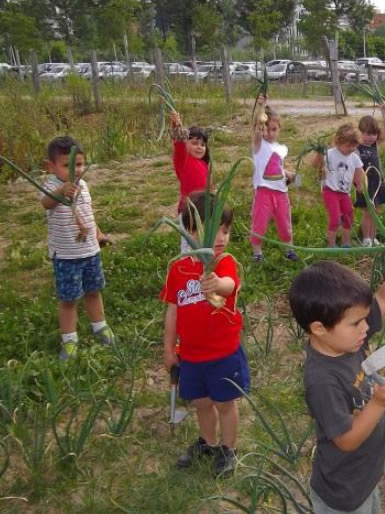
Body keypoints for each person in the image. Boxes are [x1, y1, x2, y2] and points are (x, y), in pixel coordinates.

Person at [289, 254, 385, 513]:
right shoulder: (323, 380)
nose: (365, 328)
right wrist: (378, 404)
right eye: (357, 322)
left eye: (364, 319)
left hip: (365, 477)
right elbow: (346, 440)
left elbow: (383, 300)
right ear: (319, 328)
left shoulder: (346, 338)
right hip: (343, 493)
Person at [161, 192, 247, 477]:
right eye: (214, 230)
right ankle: (208, 442)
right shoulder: (179, 268)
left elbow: (229, 285)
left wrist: (215, 283)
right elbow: (172, 310)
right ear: (191, 231)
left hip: (222, 352)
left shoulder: (224, 263)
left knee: (224, 402)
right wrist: (169, 349)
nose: (221, 237)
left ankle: (228, 448)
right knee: (201, 402)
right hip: (192, 354)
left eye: (226, 230)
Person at [41, 136, 115, 360]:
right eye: (67, 166)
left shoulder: (83, 185)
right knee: (69, 299)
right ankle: (70, 340)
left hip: (90, 251)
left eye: (80, 165)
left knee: (93, 291)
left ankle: (100, 326)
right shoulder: (52, 186)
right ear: (50, 166)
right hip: (66, 256)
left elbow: (87, 215)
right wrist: (61, 192)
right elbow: (46, 203)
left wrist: (99, 234)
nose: (76, 171)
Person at [249, 95, 298, 263]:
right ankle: (257, 252)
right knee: (260, 222)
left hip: (281, 193)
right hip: (264, 192)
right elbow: (258, 128)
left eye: (274, 129)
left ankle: (289, 249)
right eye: (267, 129)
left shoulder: (279, 148)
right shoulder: (258, 144)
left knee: (285, 222)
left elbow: (276, 169)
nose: (270, 133)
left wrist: (289, 175)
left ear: (279, 129)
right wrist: (261, 107)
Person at [169, 110, 209, 252]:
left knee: (203, 241)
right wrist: (176, 124)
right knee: (188, 245)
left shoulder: (204, 164)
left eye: (203, 144)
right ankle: (185, 268)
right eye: (195, 143)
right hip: (189, 211)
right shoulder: (184, 161)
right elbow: (179, 144)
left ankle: (201, 267)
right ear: (186, 144)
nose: (199, 147)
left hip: (204, 209)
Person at [354, 105, 385, 247]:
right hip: (365, 184)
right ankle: (366, 238)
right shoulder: (356, 147)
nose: (371, 137)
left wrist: (384, 112)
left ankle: (373, 236)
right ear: (360, 133)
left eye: (373, 134)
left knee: (376, 211)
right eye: (367, 134)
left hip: (377, 182)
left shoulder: (374, 144)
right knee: (367, 211)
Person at [321, 124, 366, 248]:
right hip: (330, 191)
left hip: (345, 193)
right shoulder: (330, 153)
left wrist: (360, 184)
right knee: (335, 219)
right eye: (348, 145)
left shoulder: (354, 157)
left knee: (349, 218)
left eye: (354, 145)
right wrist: (319, 155)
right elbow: (316, 165)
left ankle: (346, 243)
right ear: (338, 142)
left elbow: (358, 171)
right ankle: (331, 245)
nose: (351, 148)